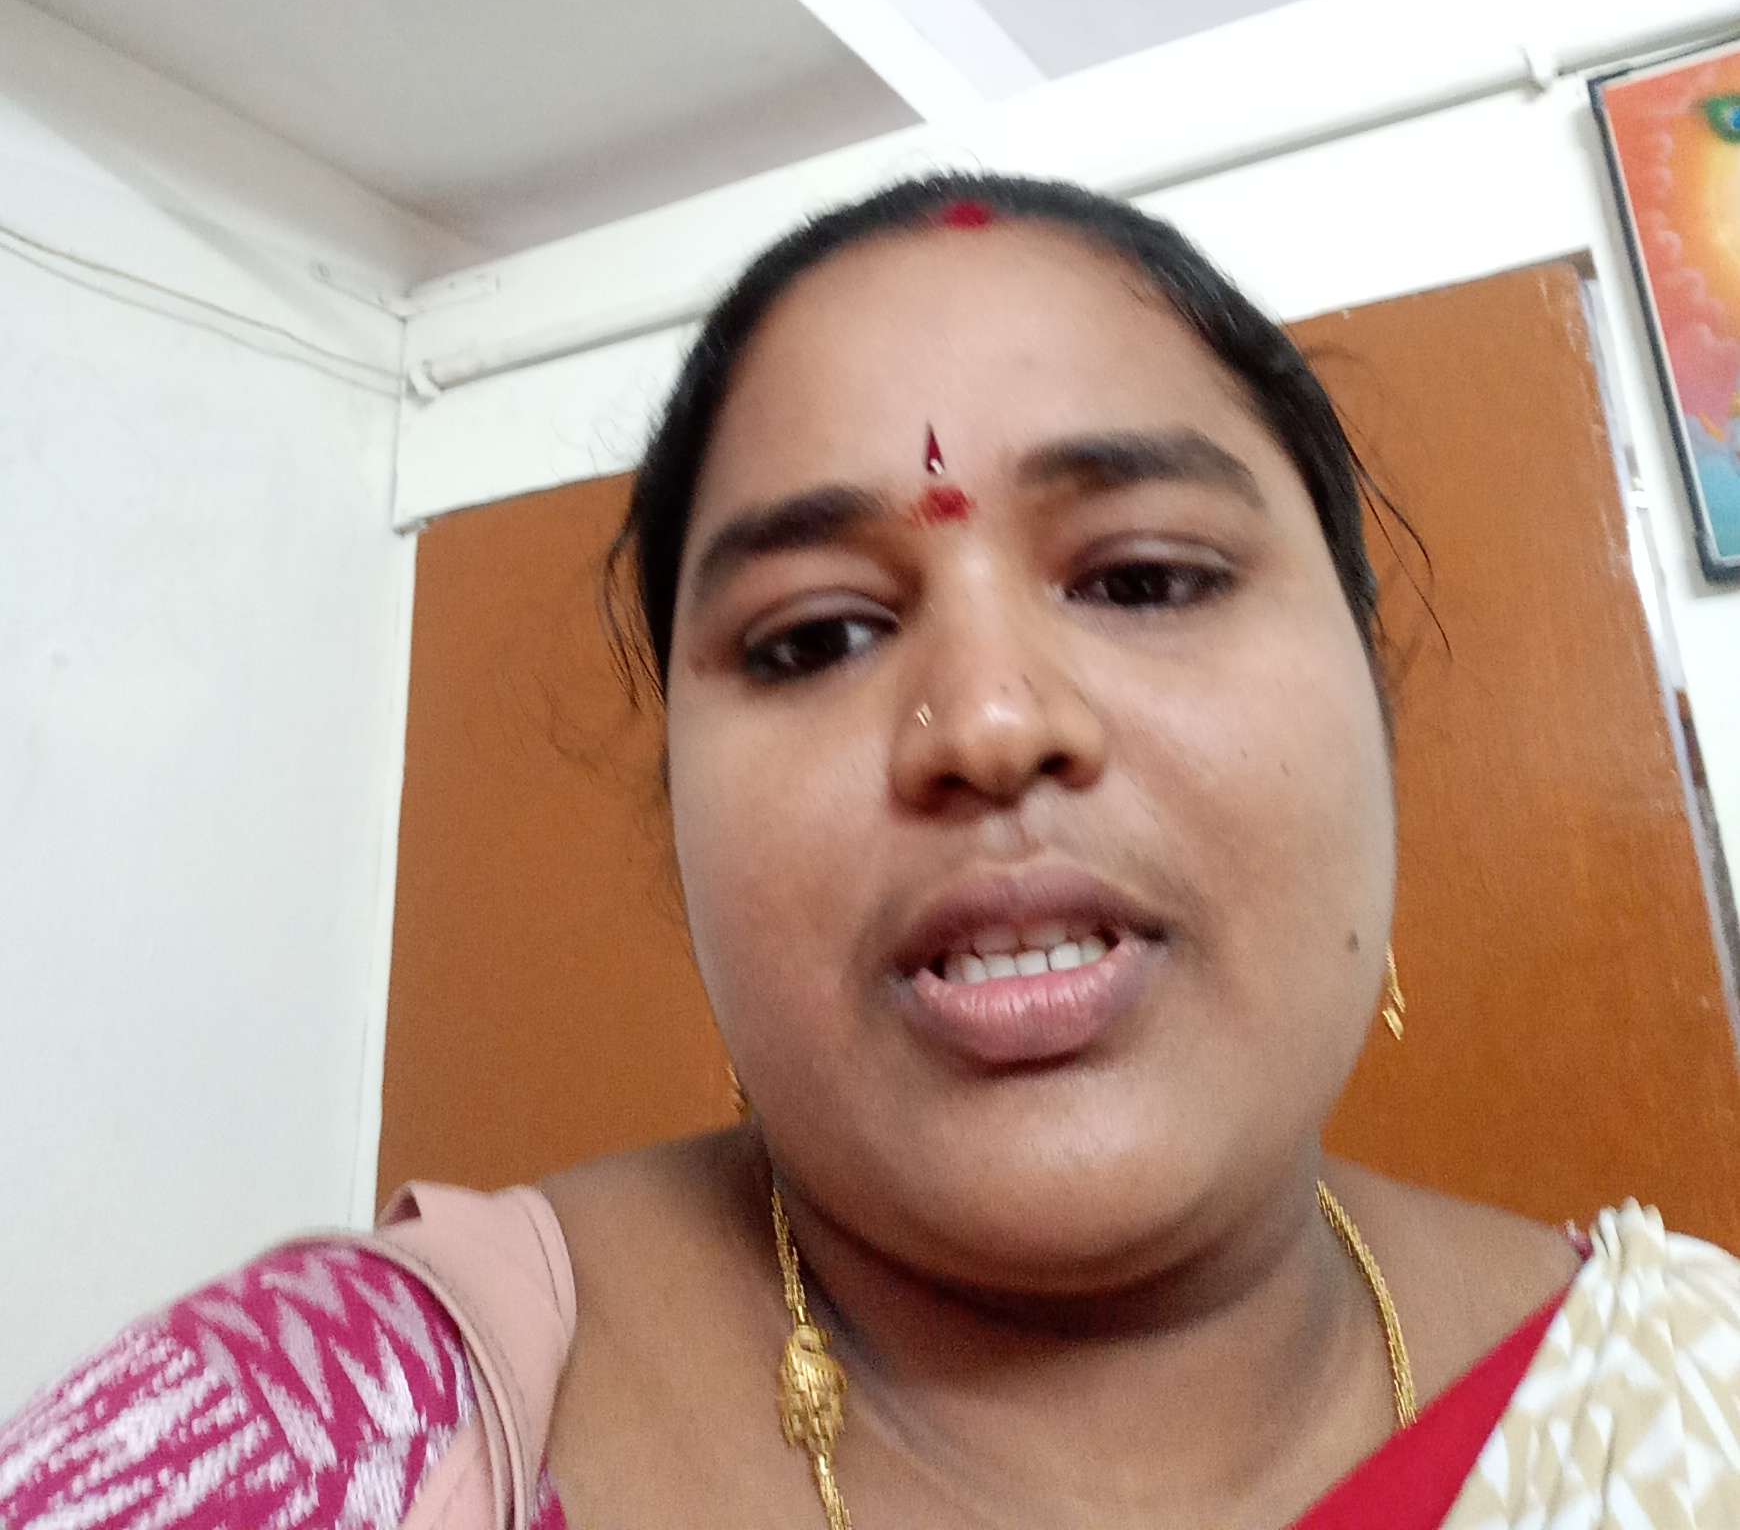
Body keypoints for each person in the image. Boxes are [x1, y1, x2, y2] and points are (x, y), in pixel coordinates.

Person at [4, 170, 1737, 1530]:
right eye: (817, 636)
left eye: (1144, 578)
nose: (986, 721)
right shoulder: (326, 1430)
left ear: (1372, 691)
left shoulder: (1690, 1401)